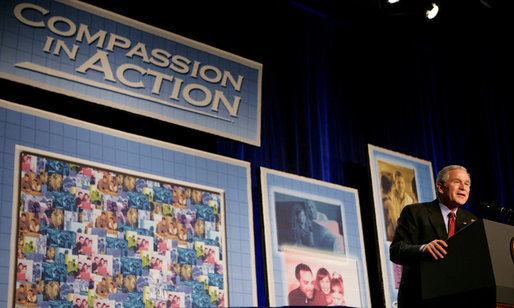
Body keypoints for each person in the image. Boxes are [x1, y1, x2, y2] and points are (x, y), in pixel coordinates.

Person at [390, 165, 477, 308]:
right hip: (421, 299)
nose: (463, 187)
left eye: (467, 183)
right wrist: (423, 249)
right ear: (441, 188)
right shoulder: (415, 212)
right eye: (457, 182)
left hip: (460, 299)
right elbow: (396, 250)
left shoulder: (473, 221)